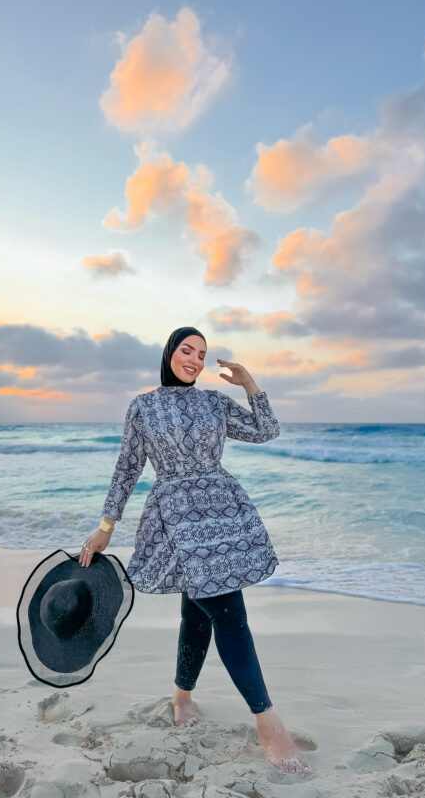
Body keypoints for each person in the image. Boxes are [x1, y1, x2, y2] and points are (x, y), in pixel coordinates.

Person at [79, 327, 310, 776]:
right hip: (176, 519)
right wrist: (106, 525)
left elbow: (267, 430)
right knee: (228, 613)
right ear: (169, 353)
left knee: (197, 612)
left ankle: (182, 696)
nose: (194, 360)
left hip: (222, 513)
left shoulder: (214, 403)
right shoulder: (143, 407)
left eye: (201, 355)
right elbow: (127, 468)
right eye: (187, 350)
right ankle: (267, 720)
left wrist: (249, 385)